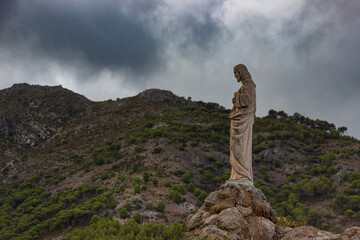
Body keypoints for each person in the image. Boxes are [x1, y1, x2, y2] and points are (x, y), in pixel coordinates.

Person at [229, 64, 256, 182]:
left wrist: (237, 97)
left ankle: (243, 175)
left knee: (239, 147)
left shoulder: (249, 85)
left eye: (236, 73)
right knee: (234, 147)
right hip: (238, 118)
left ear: (241, 72)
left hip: (243, 120)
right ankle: (236, 175)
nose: (235, 76)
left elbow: (247, 101)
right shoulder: (244, 86)